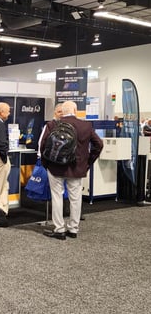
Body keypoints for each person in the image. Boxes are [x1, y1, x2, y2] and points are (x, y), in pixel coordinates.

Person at [40, 100, 103, 240]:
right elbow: (99, 144)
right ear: (75, 111)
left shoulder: (52, 124)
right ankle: (73, 229)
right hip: (77, 168)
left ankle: (59, 229)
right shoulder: (86, 126)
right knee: (75, 198)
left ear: (62, 111)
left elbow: (43, 146)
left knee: (57, 197)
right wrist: (87, 163)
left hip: (55, 167)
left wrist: (47, 165)